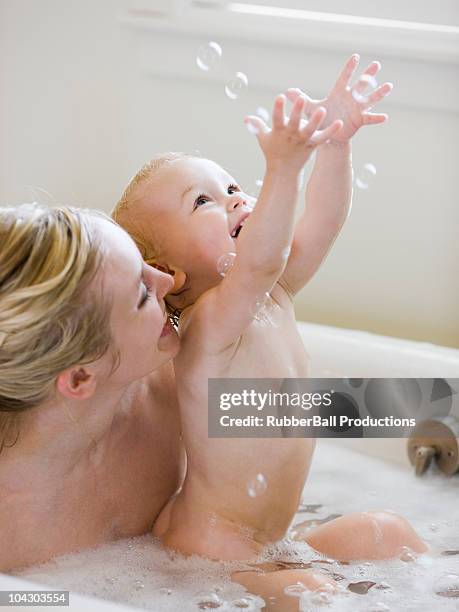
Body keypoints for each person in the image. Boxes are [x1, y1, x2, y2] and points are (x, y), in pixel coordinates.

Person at [112, 53, 426, 579]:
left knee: (389, 531)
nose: (235, 201)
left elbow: (322, 222)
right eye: (203, 203)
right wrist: (283, 168)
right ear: (170, 272)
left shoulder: (271, 293)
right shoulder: (210, 327)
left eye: (233, 188)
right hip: (213, 548)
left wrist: (335, 144)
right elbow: (258, 259)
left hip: (271, 538)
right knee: (311, 591)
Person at [0, 203, 184, 572]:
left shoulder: (176, 380)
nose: (169, 281)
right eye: (142, 294)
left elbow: (327, 409)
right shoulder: (11, 524)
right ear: (80, 379)